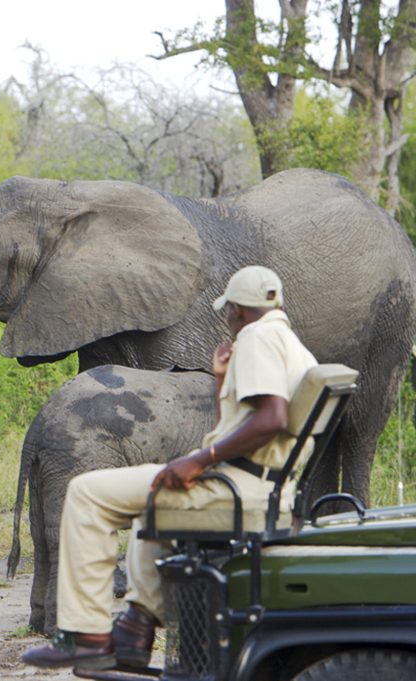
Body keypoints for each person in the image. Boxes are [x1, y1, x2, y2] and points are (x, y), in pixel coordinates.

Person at [21, 265, 317, 671]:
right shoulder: (292, 345)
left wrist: (199, 459)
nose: (226, 319)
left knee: (88, 493)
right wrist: (223, 379)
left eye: (227, 310)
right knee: (153, 501)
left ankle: (86, 635)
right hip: (265, 487)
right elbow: (235, 426)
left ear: (238, 309)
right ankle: (135, 629)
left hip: (238, 488)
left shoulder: (257, 338)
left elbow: (271, 419)